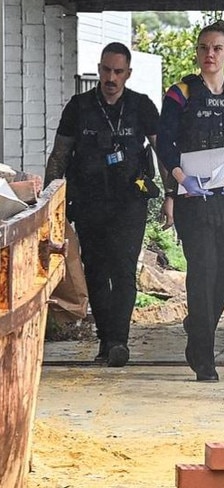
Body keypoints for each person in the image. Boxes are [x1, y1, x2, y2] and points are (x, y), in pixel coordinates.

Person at [157, 20, 224, 382]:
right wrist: (179, 179)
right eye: (204, 47)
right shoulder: (181, 93)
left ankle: (197, 323)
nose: (210, 54)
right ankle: (203, 355)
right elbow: (165, 143)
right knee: (202, 270)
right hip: (194, 197)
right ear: (197, 51)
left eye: (217, 48)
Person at [44, 42, 160, 367]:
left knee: (124, 270)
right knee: (95, 271)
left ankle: (118, 341)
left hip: (130, 202)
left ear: (128, 74)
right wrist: (51, 201)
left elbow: (164, 152)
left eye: (118, 72)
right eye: (107, 70)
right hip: (89, 201)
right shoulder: (79, 107)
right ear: (99, 70)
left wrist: (172, 194)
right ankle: (106, 340)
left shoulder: (141, 106)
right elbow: (60, 155)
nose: (111, 77)